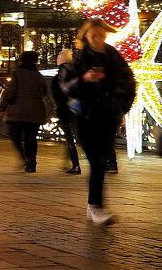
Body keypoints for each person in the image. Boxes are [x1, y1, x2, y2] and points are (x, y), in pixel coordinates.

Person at [60, 19, 136, 225]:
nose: (98, 40)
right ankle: (96, 206)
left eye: (101, 36)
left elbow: (129, 81)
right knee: (96, 161)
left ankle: (94, 206)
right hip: (85, 116)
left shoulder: (113, 57)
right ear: (86, 36)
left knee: (100, 161)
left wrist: (122, 107)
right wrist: (84, 79)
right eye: (94, 36)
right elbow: (67, 88)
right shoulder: (78, 59)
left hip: (108, 115)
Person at [0, 51, 48, 172]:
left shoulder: (17, 73)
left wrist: (2, 107)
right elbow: (44, 91)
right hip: (36, 110)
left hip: (18, 110)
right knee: (31, 137)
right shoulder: (38, 75)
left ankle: (23, 157)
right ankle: (31, 162)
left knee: (14, 134)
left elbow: (10, 91)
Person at [52, 49, 82, 174]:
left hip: (66, 109)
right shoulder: (77, 71)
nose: (57, 59)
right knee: (77, 136)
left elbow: (59, 91)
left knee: (69, 137)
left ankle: (75, 165)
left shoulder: (62, 73)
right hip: (79, 108)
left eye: (59, 56)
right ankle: (70, 162)